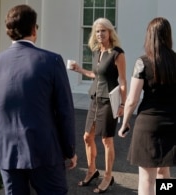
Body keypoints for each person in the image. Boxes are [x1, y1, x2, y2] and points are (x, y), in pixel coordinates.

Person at [0, 4, 77, 195]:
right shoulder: (52, 61)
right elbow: (65, 111)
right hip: (45, 150)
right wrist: (69, 150)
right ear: (33, 29)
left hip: (7, 151)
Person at [118, 17, 176, 195]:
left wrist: (124, 123)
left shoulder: (142, 62)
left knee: (146, 179)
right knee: (164, 172)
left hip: (148, 125)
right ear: (168, 35)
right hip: (172, 122)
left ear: (149, 36)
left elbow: (132, 100)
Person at [71, 18, 127, 193]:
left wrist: (123, 104)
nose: (100, 34)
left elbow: (123, 82)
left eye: (103, 30)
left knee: (106, 140)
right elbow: (96, 75)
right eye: (97, 31)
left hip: (109, 101)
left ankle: (108, 176)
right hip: (95, 99)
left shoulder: (117, 53)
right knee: (87, 137)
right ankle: (91, 171)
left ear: (110, 32)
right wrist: (79, 70)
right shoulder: (97, 52)